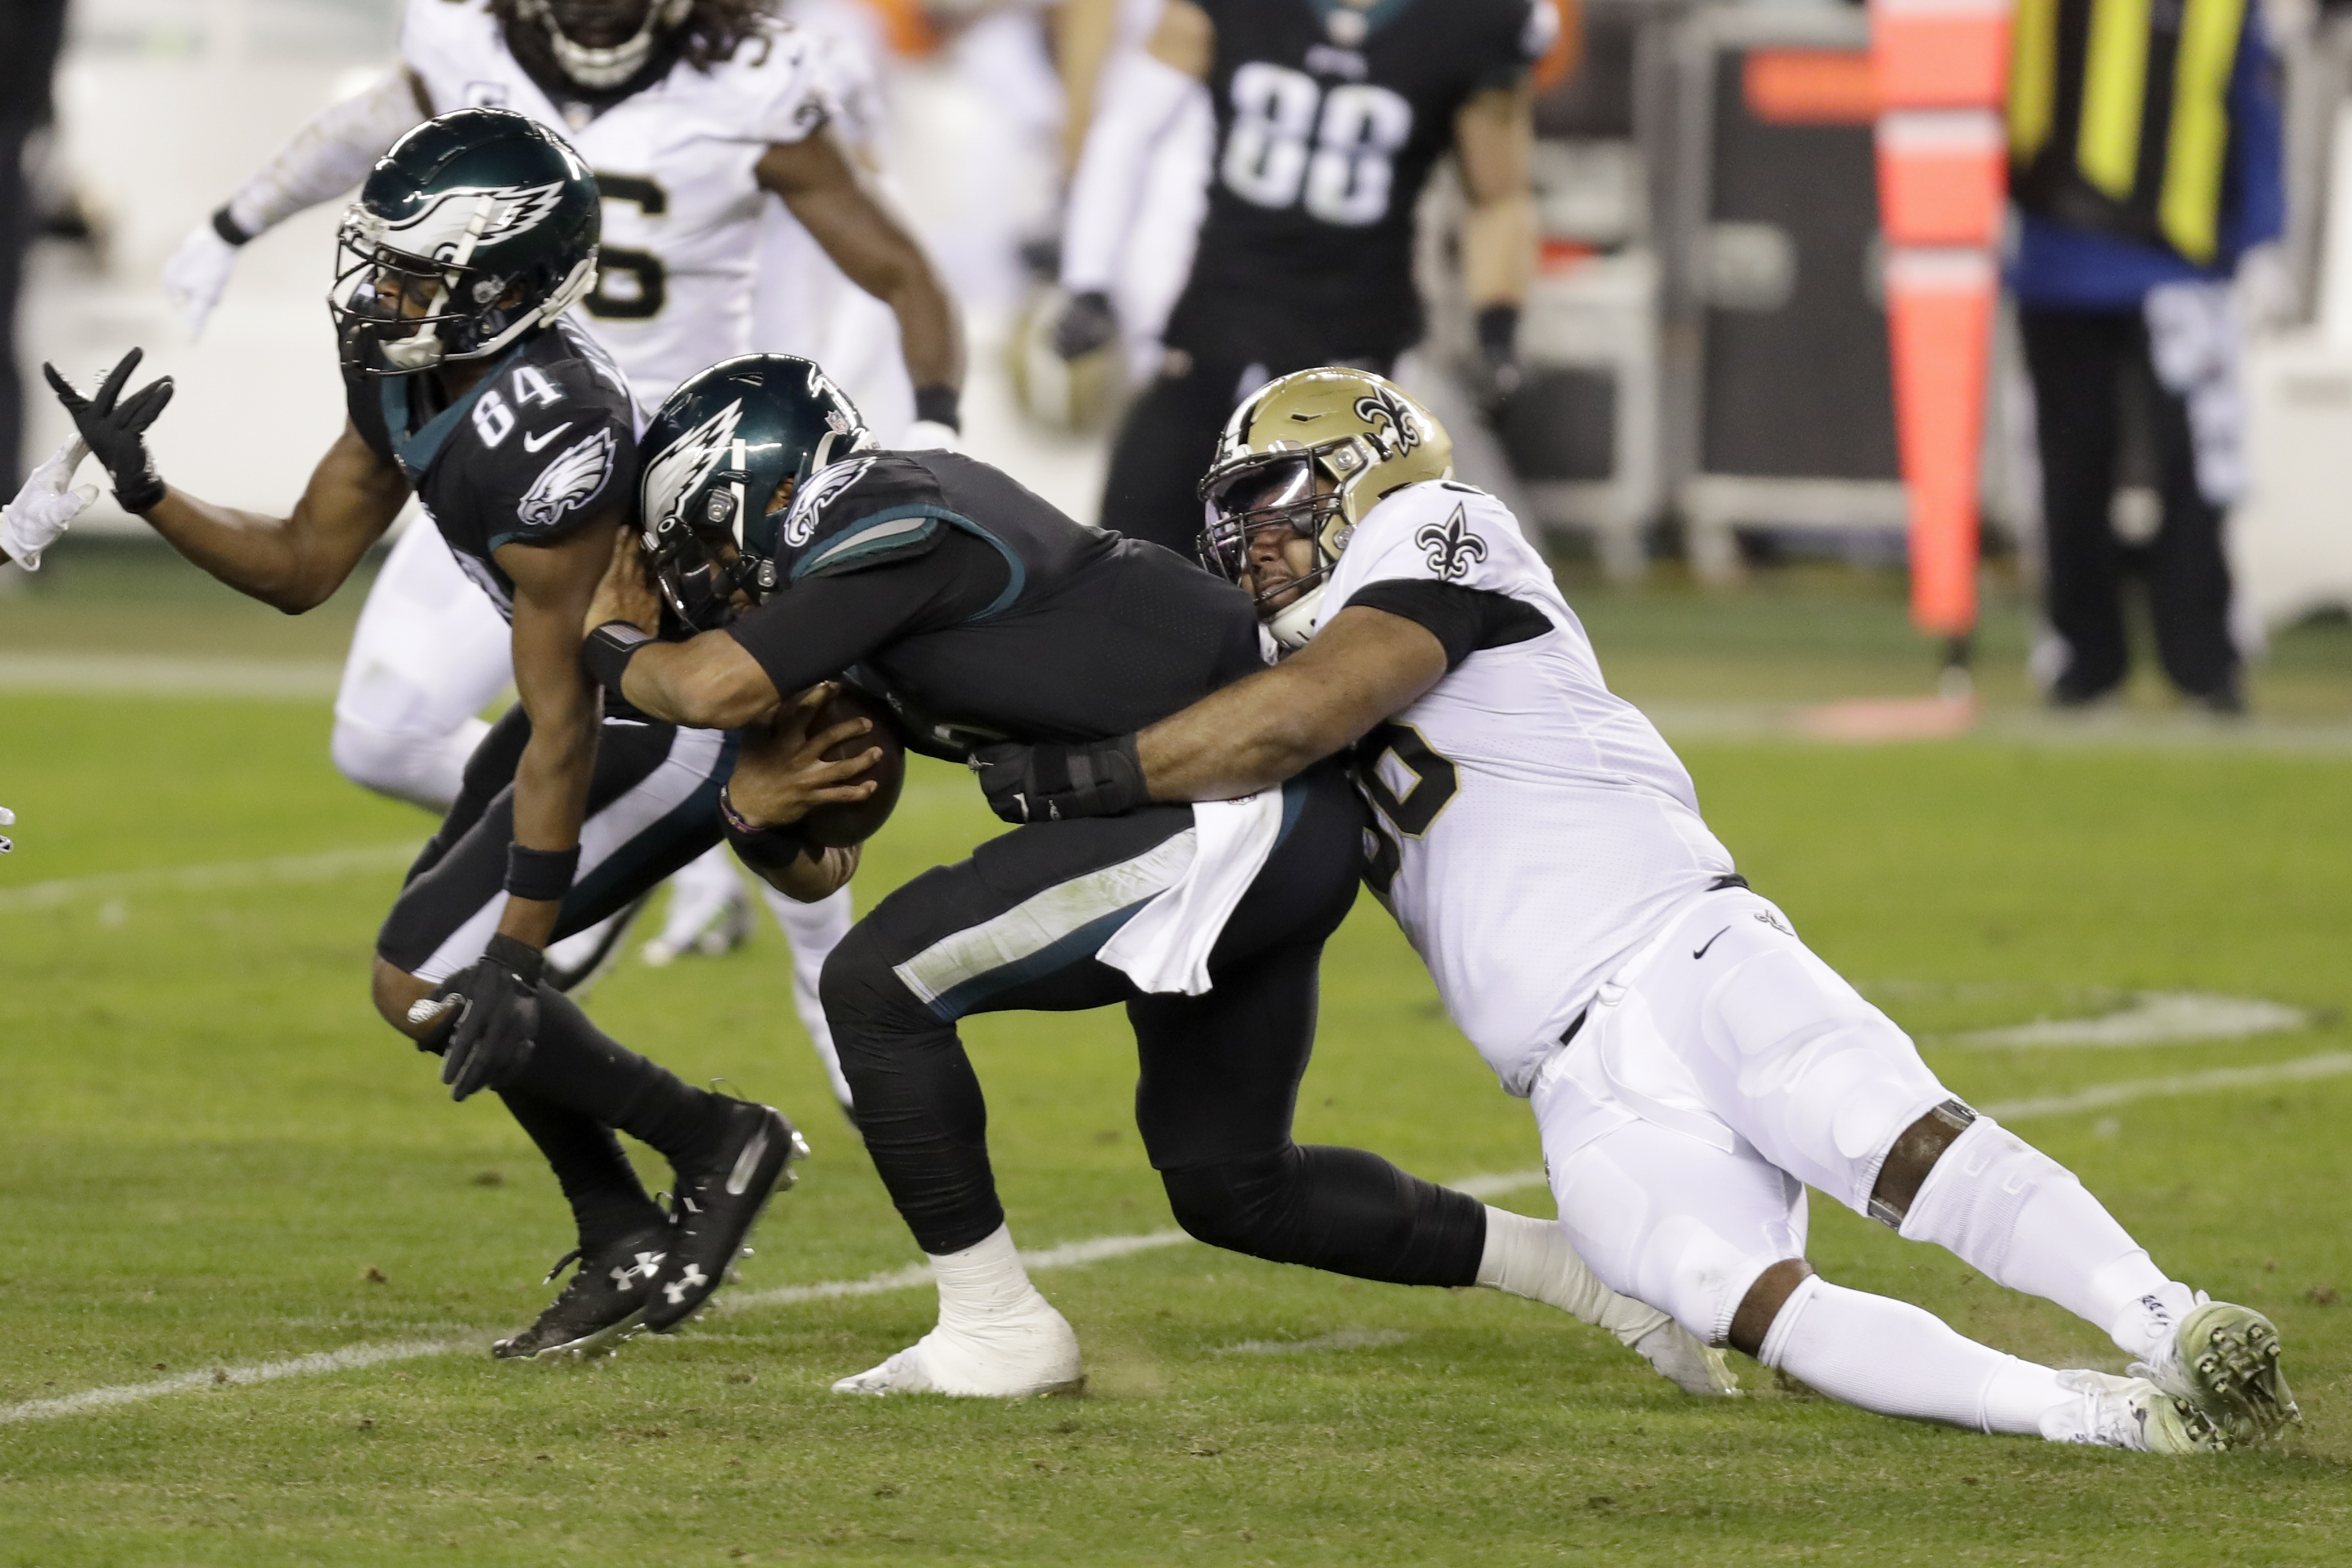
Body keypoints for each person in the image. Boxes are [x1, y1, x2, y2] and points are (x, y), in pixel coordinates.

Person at [966, 367, 2298, 1454]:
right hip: (1567, 1075)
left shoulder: (1441, 528)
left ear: (1366, 464)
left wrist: (1077, 777)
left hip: (1678, 946)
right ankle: (2106, 1419)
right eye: (1233, 507)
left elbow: (1321, 708)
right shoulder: (1266, 652)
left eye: (1272, 494)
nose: (1247, 533)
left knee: (1886, 1134)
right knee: (1739, 1301)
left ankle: (2166, 1318)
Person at [583, 350, 1734, 1399]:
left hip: (1237, 810)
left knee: (878, 987)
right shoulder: (870, 594)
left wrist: (607, 643)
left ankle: (994, 1327)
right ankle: (1594, 1277)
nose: (697, 581)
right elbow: (817, 864)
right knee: (1235, 1185)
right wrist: (756, 814)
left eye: (701, 545)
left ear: (751, 493)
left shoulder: (896, 512)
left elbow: (713, 687)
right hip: (1248, 827)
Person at [51, 109, 814, 1361]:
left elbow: (568, 714)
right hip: (584, 700)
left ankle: (714, 1135)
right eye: (384, 259)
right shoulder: (411, 370)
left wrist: (520, 946)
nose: (382, 290)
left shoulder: (553, 427)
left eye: (417, 270)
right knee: (447, 987)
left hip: (660, 715)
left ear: (507, 281)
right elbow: (305, 562)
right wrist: (148, 492)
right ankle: (618, 1222)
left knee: (434, 977)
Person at [159, 0, 966, 1064]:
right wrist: (235, 220)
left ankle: (814, 959)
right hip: (494, 431)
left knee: (775, 732)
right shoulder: (463, 42)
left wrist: (935, 425)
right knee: (382, 730)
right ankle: (635, 843)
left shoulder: (754, 79)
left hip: (667, 484)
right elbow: (381, 136)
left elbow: (897, 264)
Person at [1050, 0, 1555, 552]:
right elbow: (1128, 128)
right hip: (1214, 331)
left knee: (1348, 584)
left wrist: (1498, 328)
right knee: (1127, 556)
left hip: (1356, 358)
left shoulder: (1474, 22)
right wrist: (1087, 279)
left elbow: (1499, 196)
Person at [2006, 0, 2284, 713]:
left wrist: (2259, 235)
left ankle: (2201, 661)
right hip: (2053, 256)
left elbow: (2247, 96)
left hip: (2179, 263)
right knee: (2071, 464)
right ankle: (2082, 656)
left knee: (2193, 469)